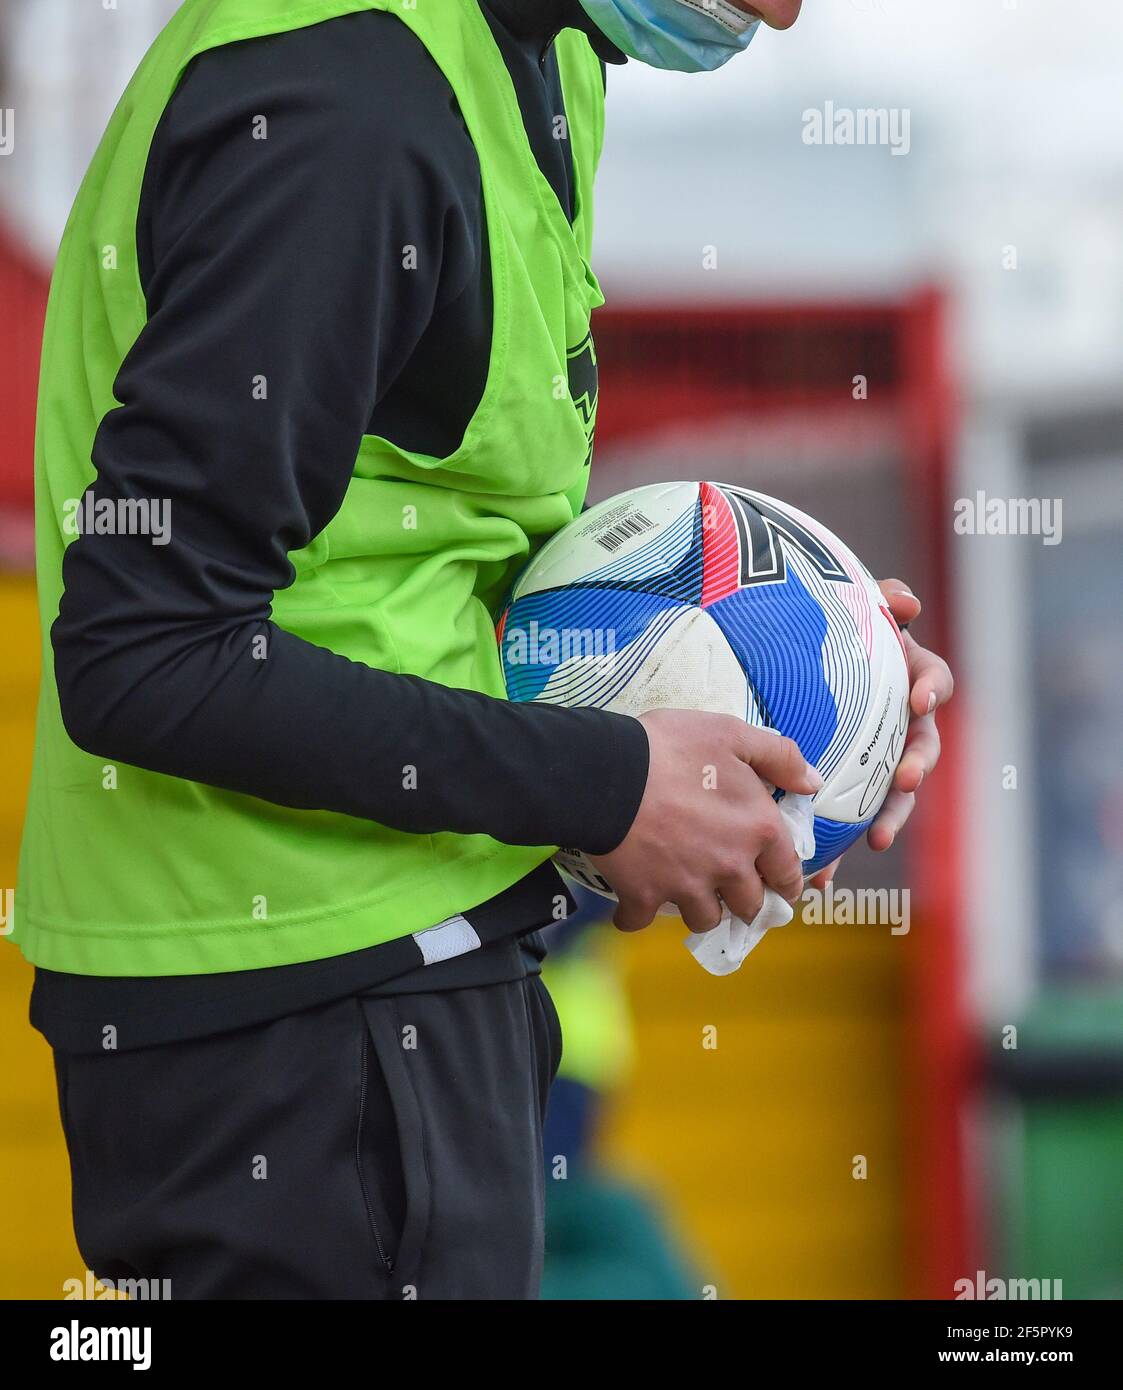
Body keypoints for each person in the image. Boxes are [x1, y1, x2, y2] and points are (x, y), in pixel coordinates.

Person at [11, 0, 952, 1299]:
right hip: (296, 1022)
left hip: (396, 990)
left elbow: (429, 544)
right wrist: (606, 784)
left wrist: (815, 663)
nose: (786, 14)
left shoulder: (548, 46)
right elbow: (146, 649)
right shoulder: (348, 110)